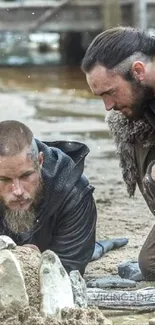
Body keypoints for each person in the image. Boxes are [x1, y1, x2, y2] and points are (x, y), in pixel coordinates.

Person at [81, 26, 155, 280]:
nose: (108, 106)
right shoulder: (144, 94)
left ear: (138, 71)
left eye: (110, 92)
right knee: (151, 266)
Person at [0, 120, 98, 276]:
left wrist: (31, 266)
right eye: (4, 179)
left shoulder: (73, 193)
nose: (18, 191)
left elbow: (69, 270)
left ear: (40, 161)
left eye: (26, 175)